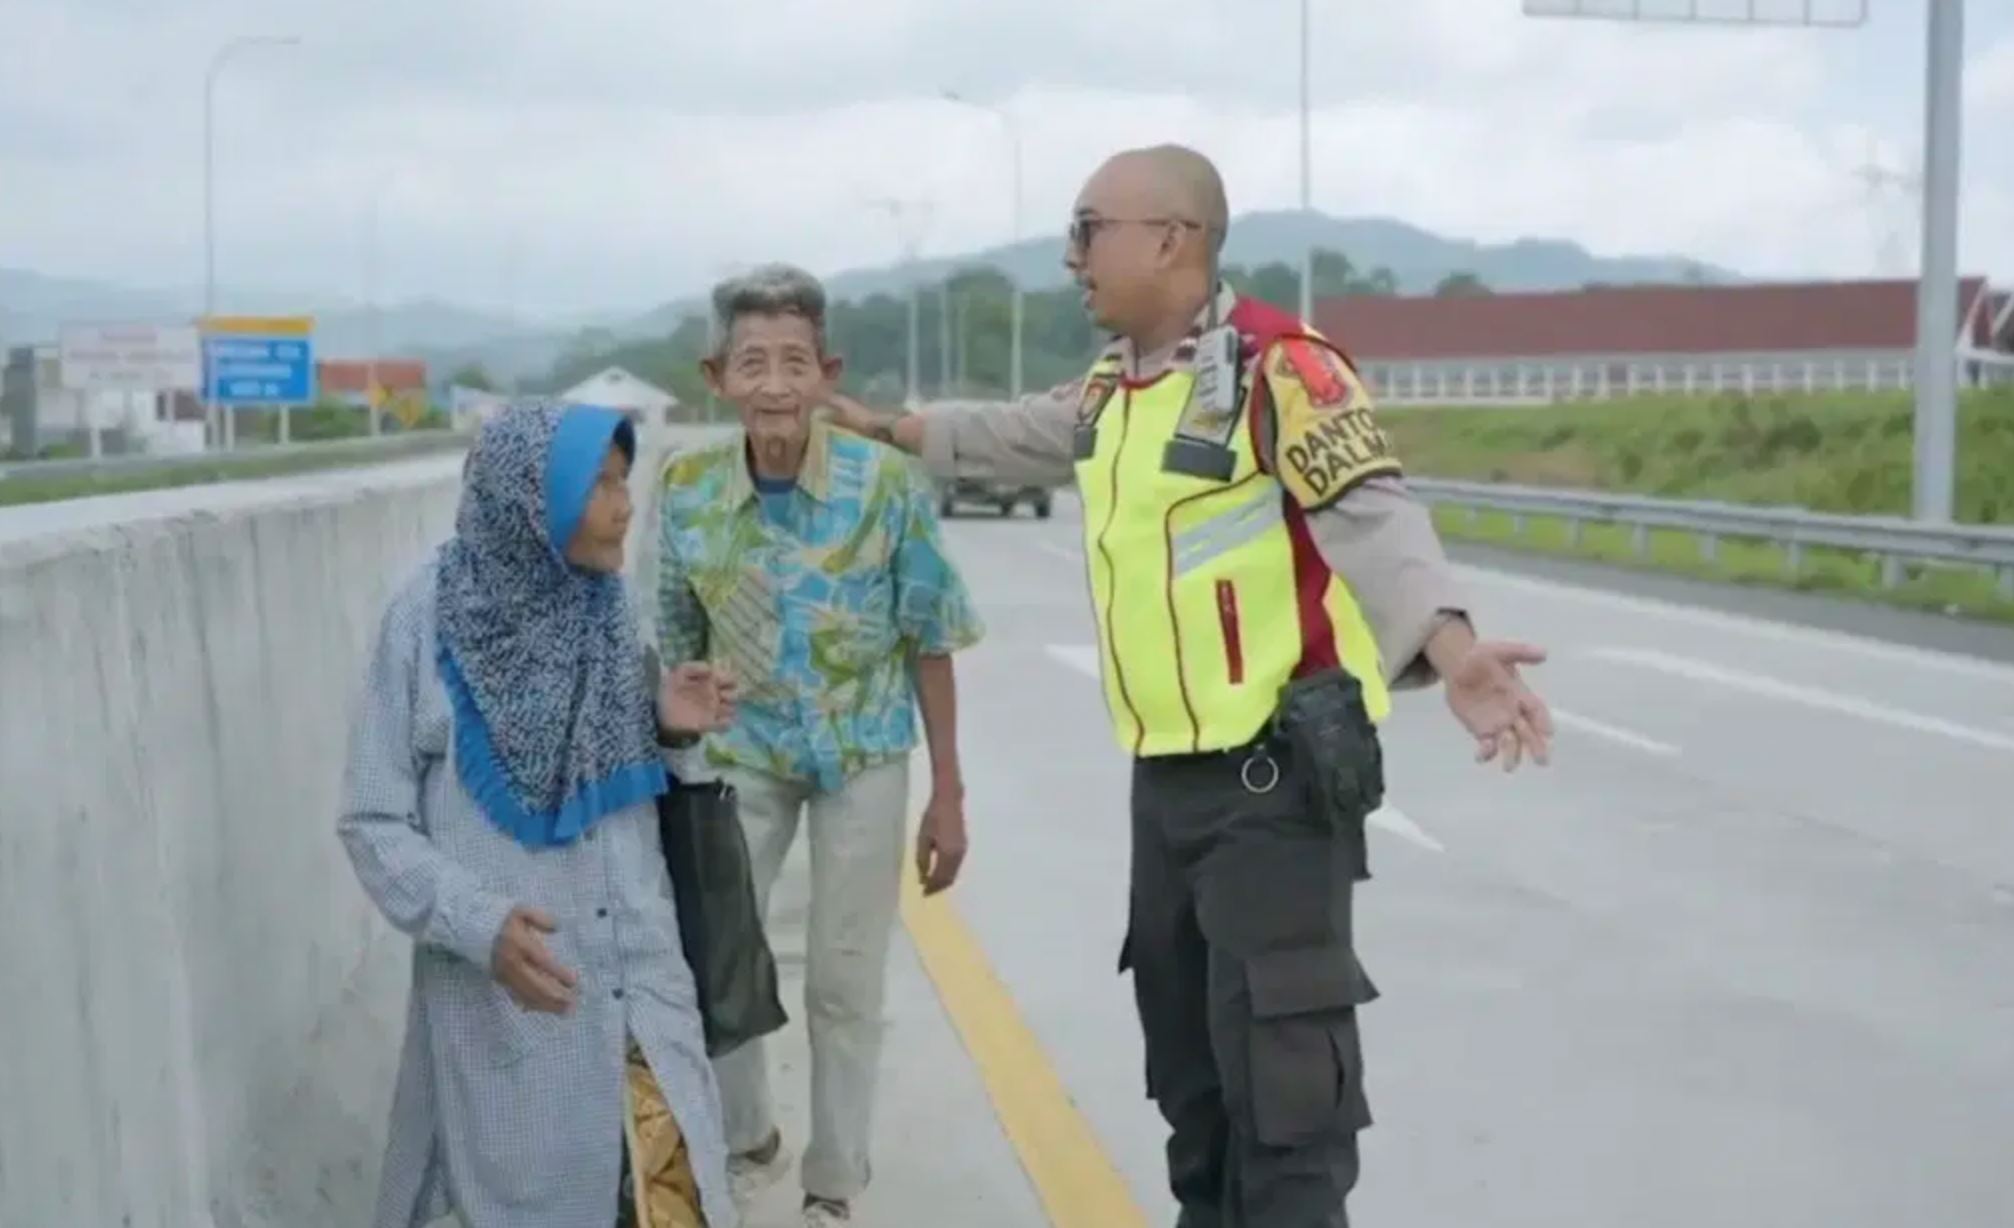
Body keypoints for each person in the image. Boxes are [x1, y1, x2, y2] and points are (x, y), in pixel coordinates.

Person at [823, 145, 1555, 1227]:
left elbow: (1373, 514)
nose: (1071, 257)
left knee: (1286, 1111)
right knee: (1196, 1094)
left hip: (1273, 788)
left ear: (1171, 239)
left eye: (1087, 229)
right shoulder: (1120, 385)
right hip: (1167, 793)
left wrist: (1452, 648)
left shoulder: (1281, 370)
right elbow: (1015, 433)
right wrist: (884, 426)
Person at [338, 400, 742, 1228]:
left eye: (625, 481)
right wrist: (479, 925)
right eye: (600, 484)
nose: (624, 505)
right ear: (532, 497)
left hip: (641, 997)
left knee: (676, 1200)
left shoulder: (609, 610)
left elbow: (618, 788)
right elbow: (371, 821)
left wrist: (666, 725)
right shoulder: (425, 623)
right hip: (517, 1016)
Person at [655, 264, 984, 1226]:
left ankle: (833, 1184)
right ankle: (746, 1134)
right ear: (716, 376)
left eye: (794, 362)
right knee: (719, 957)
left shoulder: (885, 486)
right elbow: (675, 638)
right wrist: (679, 738)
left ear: (826, 371)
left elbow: (930, 635)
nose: (774, 385)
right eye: (751, 363)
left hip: (863, 754)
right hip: (742, 756)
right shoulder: (686, 492)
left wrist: (949, 793)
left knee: (846, 977)